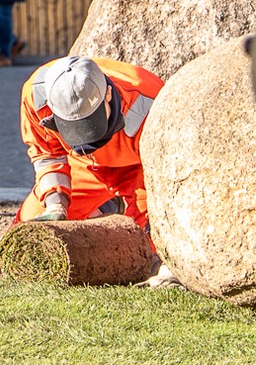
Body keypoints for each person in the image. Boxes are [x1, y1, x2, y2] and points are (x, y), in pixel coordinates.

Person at [14, 54, 162, 235]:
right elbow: (47, 154)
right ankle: (101, 210)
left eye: (90, 124)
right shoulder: (36, 96)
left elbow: (162, 176)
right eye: (73, 128)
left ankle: (111, 210)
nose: (85, 139)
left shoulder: (150, 104)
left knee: (149, 239)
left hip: (139, 170)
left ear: (108, 94)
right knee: (31, 235)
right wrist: (56, 204)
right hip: (82, 164)